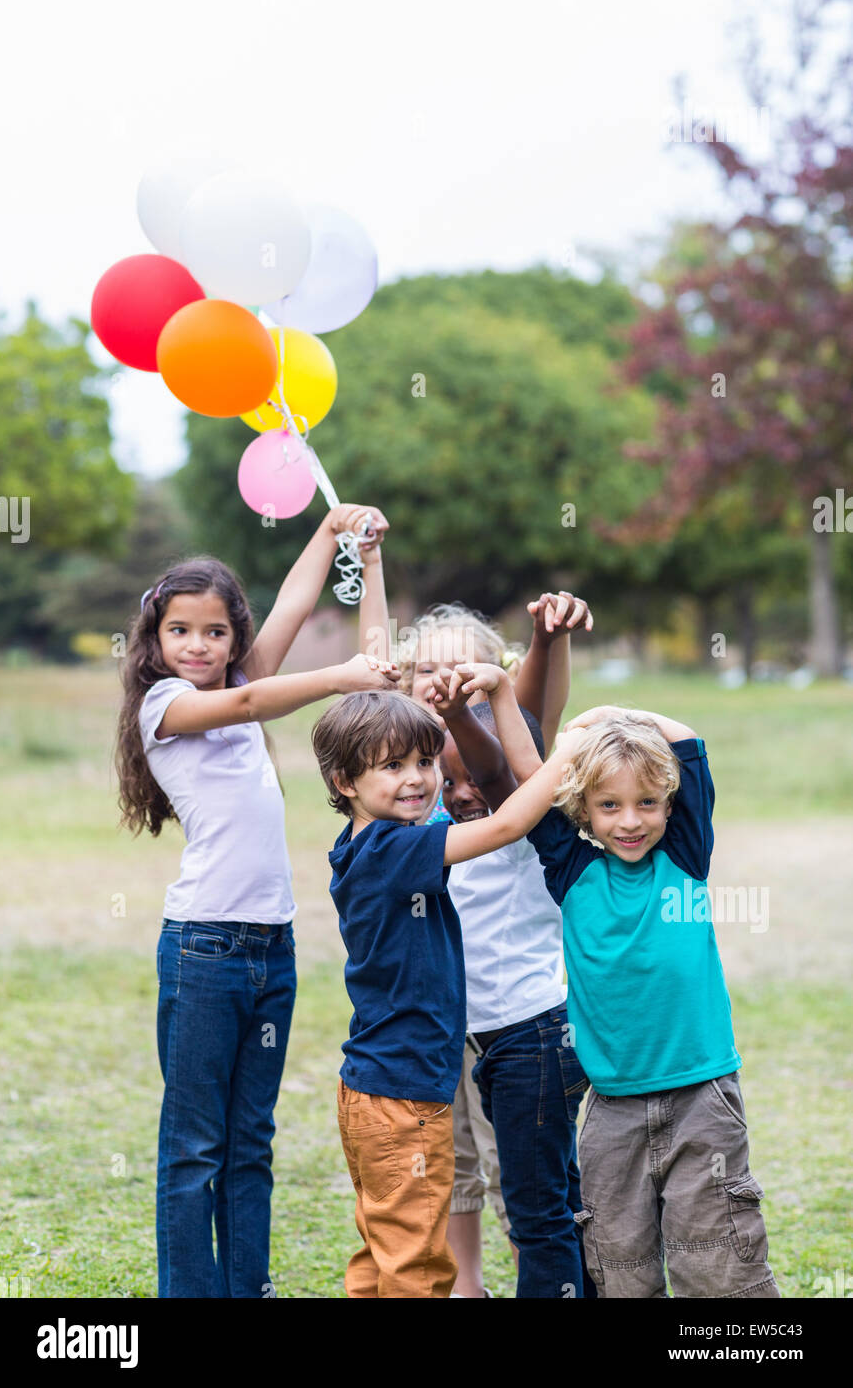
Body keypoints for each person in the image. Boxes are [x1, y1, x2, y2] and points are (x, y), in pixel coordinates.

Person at [115, 504, 399, 1298]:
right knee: (195, 1147)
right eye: (181, 631)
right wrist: (341, 677)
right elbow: (249, 707)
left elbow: (293, 608)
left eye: (215, 632)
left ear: (233, 639)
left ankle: (248, 1288)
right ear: (156, 641)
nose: (198, 646)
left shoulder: (242, 675)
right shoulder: (165, 709)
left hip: (271, 950)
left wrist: (332, 531)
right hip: (204, 949)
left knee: (250, 1140)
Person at [443, 676, 781, 1300]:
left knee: (717, 1262)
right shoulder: (571, 870)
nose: (631, 821)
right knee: (618, 1267)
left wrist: (615, 713)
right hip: (610, 1110)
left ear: (670, 808)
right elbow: (523, 775)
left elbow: (687, 743)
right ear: (583, 809)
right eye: (610, 806)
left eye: (648, 803)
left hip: (701, 1100)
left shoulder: (683, 856)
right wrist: (501, 697)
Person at [310, 678, 586, 1298]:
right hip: (402, 1096)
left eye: (425, 762)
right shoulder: (392, 847)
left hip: (379, 1089)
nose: (418, 779)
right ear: (343, 782)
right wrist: (565, 758)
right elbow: (509, 821)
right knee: (416, 1267)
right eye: (392, 766)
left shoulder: (366, 843)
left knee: (386, 1247)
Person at [368, 580, 591, 1294]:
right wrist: (370, 565)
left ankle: (541, 1273)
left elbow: (528, 707)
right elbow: (369, 675)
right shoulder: (404, 780)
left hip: (515, 1019)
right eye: (428, 667)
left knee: (515, 1165)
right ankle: (467, 1287)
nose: (444, 679)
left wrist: (549, 639)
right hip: (439, 1013)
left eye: (463, 666)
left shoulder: (508, 765)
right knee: (449, 1160)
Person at [431, 683, 596, 1299]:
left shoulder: (523, 827)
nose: (461, 792)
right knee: (557, 1199)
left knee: (537, 1216)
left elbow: (499, 770)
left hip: (534, 1041)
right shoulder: (458, 838)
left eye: (469, 776)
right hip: (499, 1045)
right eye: (449, 781)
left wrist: (454, 713)